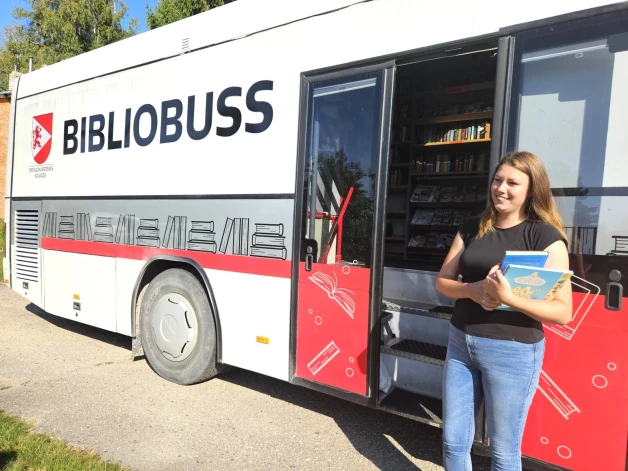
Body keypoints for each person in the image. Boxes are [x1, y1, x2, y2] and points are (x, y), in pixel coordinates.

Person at [435, 151, 572, 471]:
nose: (501, 188)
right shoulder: (471, 228)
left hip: (514, 351)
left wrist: (507, 297)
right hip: (461, 343)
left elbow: (563, 312)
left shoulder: (546, 237)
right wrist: (473, 290)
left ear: (531, 190)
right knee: (453, 441)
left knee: (504, 451)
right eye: (498, 180)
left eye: (512, 182)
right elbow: (443, 282)